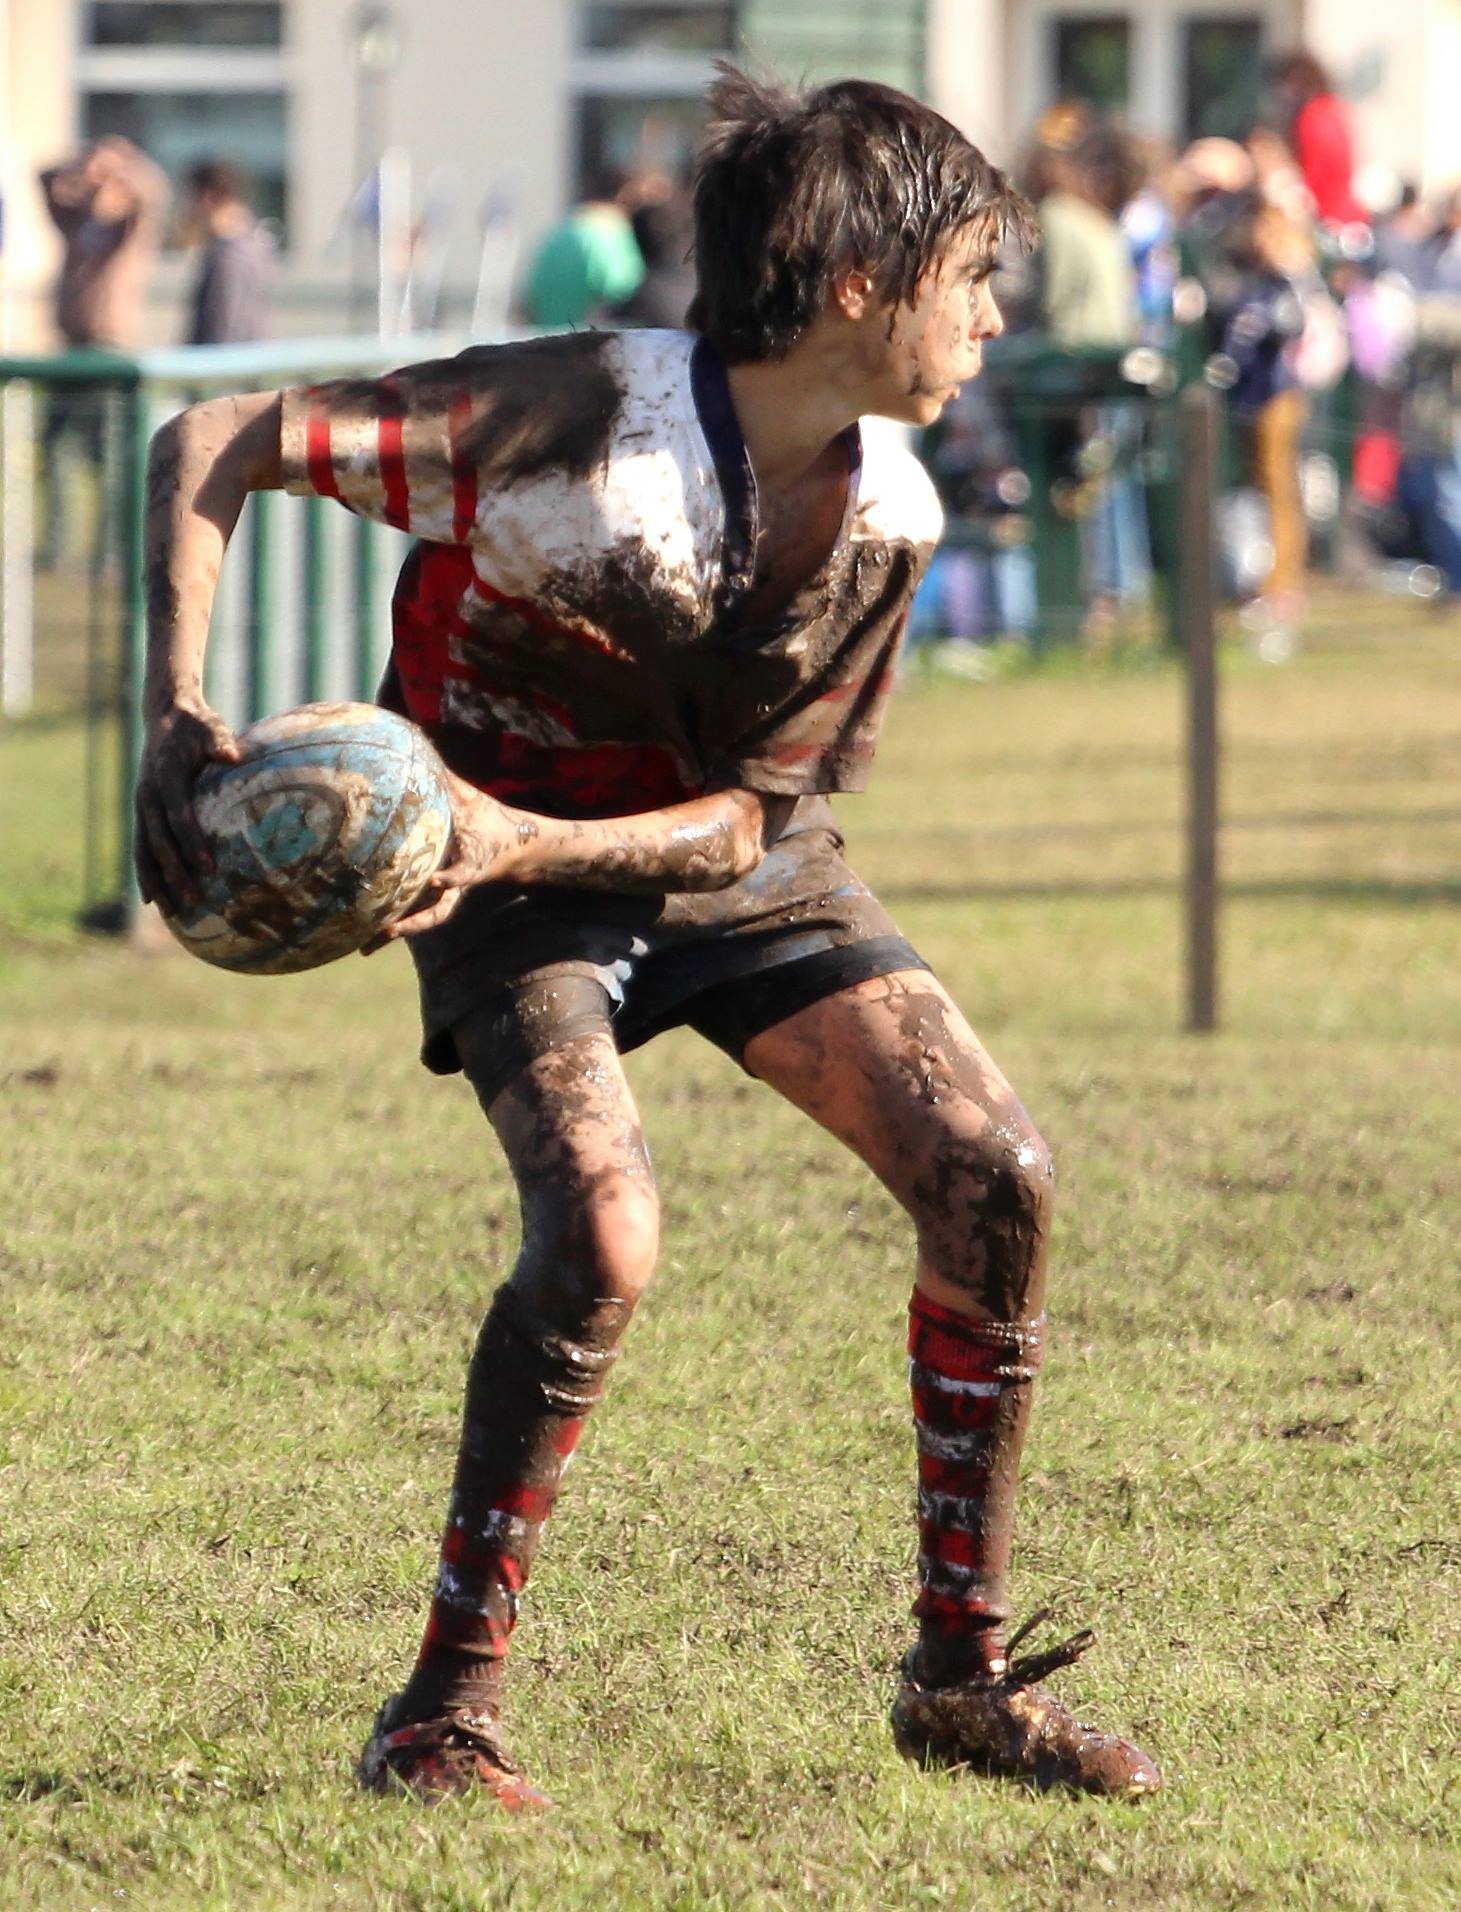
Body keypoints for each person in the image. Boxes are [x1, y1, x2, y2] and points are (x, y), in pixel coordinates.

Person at [133, 68, 1162, 1809]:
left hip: (693, 851)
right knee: (603, 1235)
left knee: (998, 1170)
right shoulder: (553, 421)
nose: (996, 314)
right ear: (854, 282)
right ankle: (440, 1715)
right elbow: (215, 439)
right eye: (972, 275)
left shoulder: (889, 517)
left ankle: (959, 1679)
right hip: (491, 883)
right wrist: (174, 707)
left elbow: (756, 819)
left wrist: (516, 830)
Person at [36, 136, 167, 569]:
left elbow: (154, 191)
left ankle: (112, 549)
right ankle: (58, 548)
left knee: (111, 457)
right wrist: (85, 163)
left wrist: (120, 164)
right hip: (71, 350)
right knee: (56, 451)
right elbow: (43, 178)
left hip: (110, 352)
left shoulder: (128, 232)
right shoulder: (78, 225)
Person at [522, 164, 645, 327]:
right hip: (591, 344)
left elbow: (529, 299)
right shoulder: (610, 232)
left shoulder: (560, 230)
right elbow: (624, 290)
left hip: (547, 341)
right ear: (624, 195)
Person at [180, 159, 274, 346]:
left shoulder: (230, 254)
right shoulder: (252, 242)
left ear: (208, 196)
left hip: (225, 365)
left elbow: (225, 327)